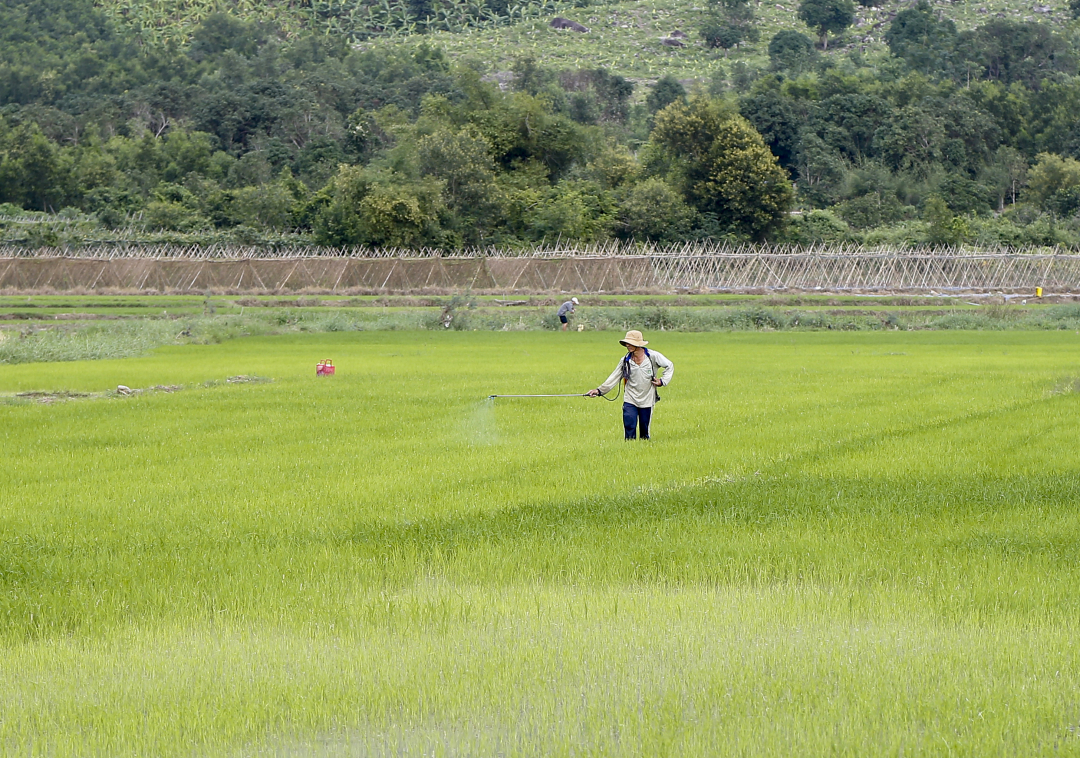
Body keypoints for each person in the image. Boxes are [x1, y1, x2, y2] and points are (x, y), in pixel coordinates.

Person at [587, 330, 674, 440]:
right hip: (630, 398)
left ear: (638, 344)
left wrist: (662, 381)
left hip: (647, 398)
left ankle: (643, 449)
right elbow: (614, 377)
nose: (627, 345)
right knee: (629, 426)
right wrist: (599, 391)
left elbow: (669, 365)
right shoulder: (625, 360)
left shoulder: (652, 356)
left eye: (630, 343)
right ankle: (629, 448)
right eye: (626, 343)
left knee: (644, 431)